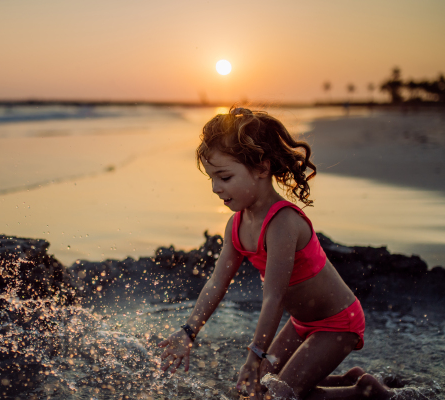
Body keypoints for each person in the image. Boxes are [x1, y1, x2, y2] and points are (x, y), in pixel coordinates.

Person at [158, 108, 392, 399]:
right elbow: (217, 283)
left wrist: (255, 355)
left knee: (277, 396)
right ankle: (349, 380)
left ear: (261, 169)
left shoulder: (282, 223)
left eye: (225, 177)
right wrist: (188, 332)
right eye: (212, 179)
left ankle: (364, 393)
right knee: (254, 392)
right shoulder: (236, 225)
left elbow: (274, 298)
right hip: (300, 324)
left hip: (337, 324)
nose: (217, 188)